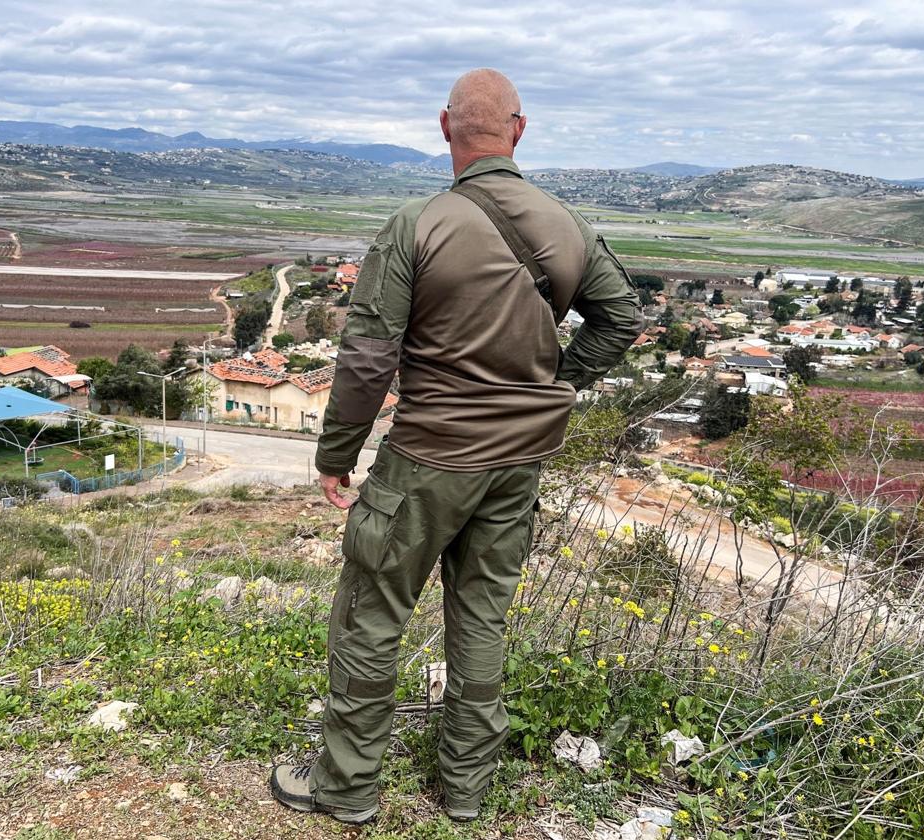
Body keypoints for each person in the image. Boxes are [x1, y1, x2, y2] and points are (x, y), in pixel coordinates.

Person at [270, 68, 645, 824]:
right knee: (480, 618)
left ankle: (346, 788)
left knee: (372, 615)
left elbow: (369, 356)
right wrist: (551, 383)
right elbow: (621, 318)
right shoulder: (568, 225)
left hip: (428, 459)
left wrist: (336, 453)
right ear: (520, 128)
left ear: (445, 128)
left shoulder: (418, 224)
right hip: (517, 465)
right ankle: (466, 793)